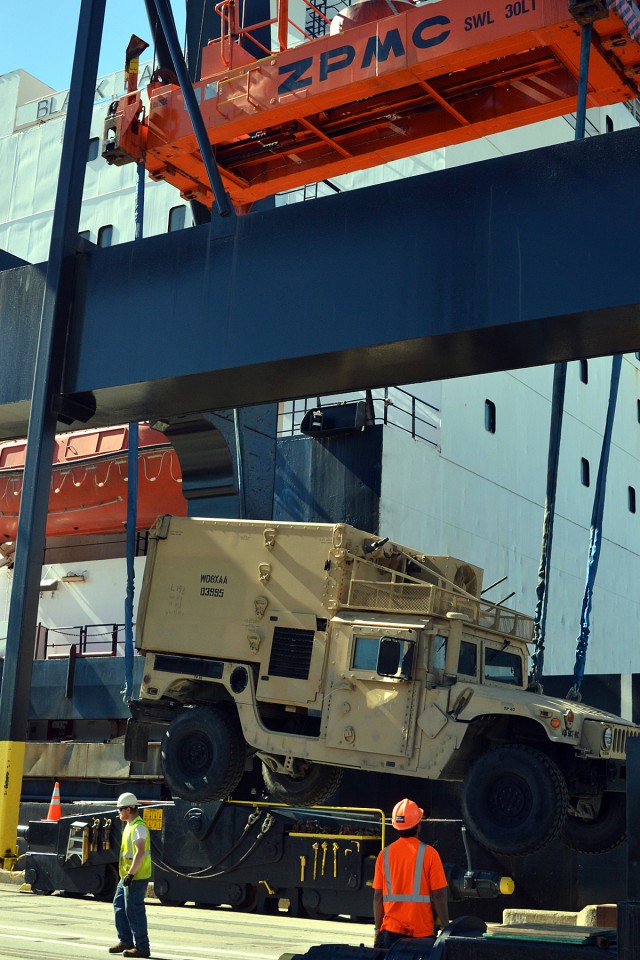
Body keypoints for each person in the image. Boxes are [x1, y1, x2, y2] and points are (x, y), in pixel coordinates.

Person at [372, 798, 449, 948]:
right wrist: (446, 927)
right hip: (422, 932)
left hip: (391, 931)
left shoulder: (384, 855)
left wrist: (377, 930)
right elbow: (438, 896)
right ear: (418, 826)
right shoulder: (430, 854)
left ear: (396, 826)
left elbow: (377, 896)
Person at [109, 792, 152, 958]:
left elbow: (140, 852)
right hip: (126, 875)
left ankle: (142, 947)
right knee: (119, 906)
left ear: (128, 809)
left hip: (135, 876)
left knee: (134, 911)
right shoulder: (129, 825)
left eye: (121, 809)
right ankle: (126, 941)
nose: (119, 812)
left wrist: (131, 875)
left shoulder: (138, 827)